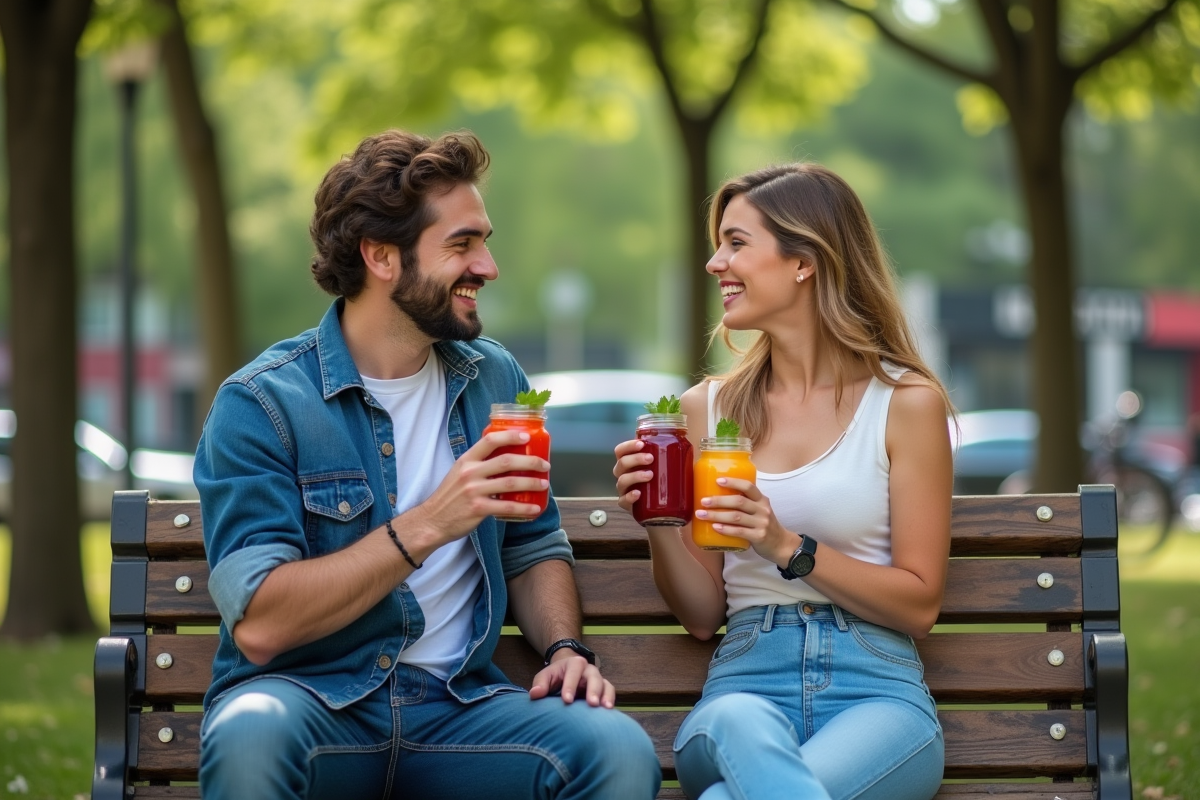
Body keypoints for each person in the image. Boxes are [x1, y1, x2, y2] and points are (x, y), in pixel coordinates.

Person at [195, 129, 660, 800]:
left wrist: (565, 650)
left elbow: (533, 545)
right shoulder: (264, 404)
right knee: (249, 731)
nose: (489, 267)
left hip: (460, 713)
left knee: (613, 749)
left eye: (485, 241)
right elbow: (264, 624)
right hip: (311, 706)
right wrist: (430, 523)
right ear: (381, 257)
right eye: (462, 244)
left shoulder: (494, 377)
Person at [614, 163, 954, 800]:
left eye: (737, 243)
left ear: (805, 260)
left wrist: (784, 545)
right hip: (743, 685)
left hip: (877, 696)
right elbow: (702, 615)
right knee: (739, 725)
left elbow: (919, 603)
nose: (715, 263)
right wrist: (660, 526)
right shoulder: (704, 411)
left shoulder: (904, 404)